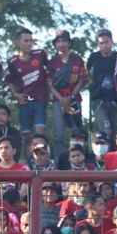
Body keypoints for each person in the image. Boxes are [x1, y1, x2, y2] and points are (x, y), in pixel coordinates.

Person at [47, 29, 89, 157]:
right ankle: (60, 164)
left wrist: (70, 97)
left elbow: (82, 79)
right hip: (57, 101)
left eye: (64, 41)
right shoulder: (52, 62)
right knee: (59, 134)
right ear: (55, 44)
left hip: (74, 99)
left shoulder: (77, 59)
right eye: (59, 41)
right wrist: (61, 99)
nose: (62, 44)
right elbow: (49, 83)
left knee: (77, 131)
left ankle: (78, 160)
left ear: (69, 43)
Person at [5, 27, 48, 135]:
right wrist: (15, 94)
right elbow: (9, 80)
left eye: (31, 41)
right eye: (26, 41)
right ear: (18, 42)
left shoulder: (40, 54)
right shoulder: (13, 61)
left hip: (40, 100)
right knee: (27, 136)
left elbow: (51, 71)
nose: (29, 44)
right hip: (25, 102)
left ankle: (42, 152)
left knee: (40, 134)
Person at [87, 29, 117, 144]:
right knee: (105, 131)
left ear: (112, 42)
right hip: (98, 100)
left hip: (115, 99)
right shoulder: (94, 57)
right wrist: (92, 83)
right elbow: (85, 71)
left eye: (106, 42)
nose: (104, 45)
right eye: (101, 43)